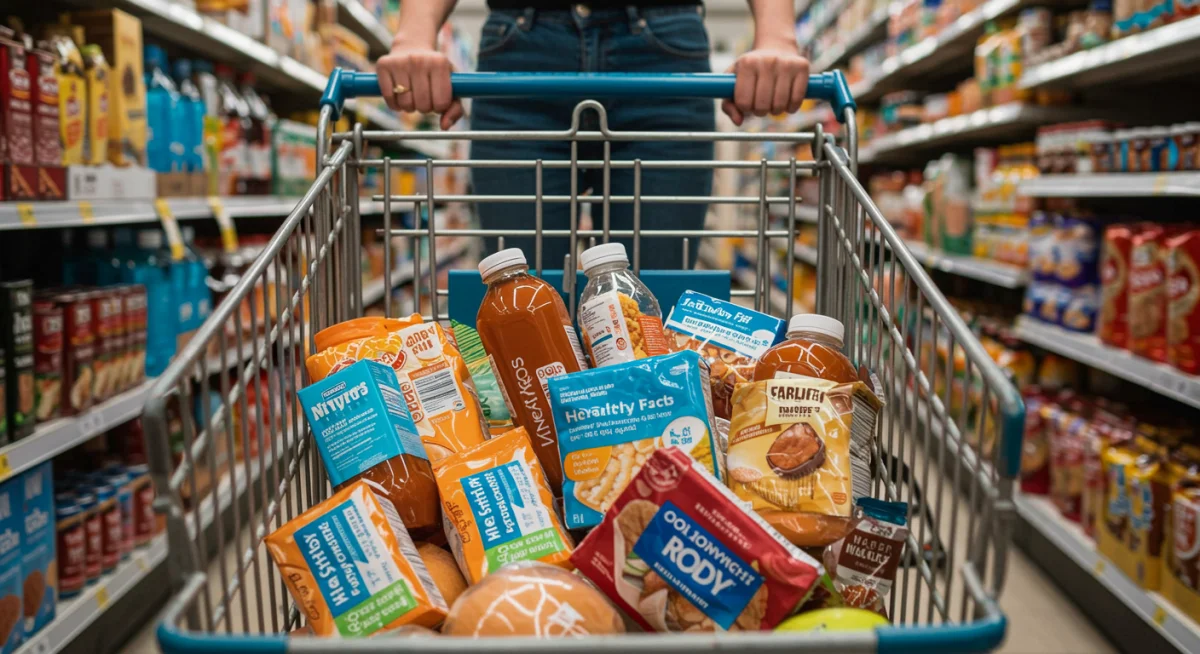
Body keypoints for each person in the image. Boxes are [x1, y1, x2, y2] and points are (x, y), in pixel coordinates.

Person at [376, 1, 809, 271]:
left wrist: (777, 36)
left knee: (651, 313)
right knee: (521, 305)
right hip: (521, 48)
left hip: (663, 51)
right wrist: (414, 36)